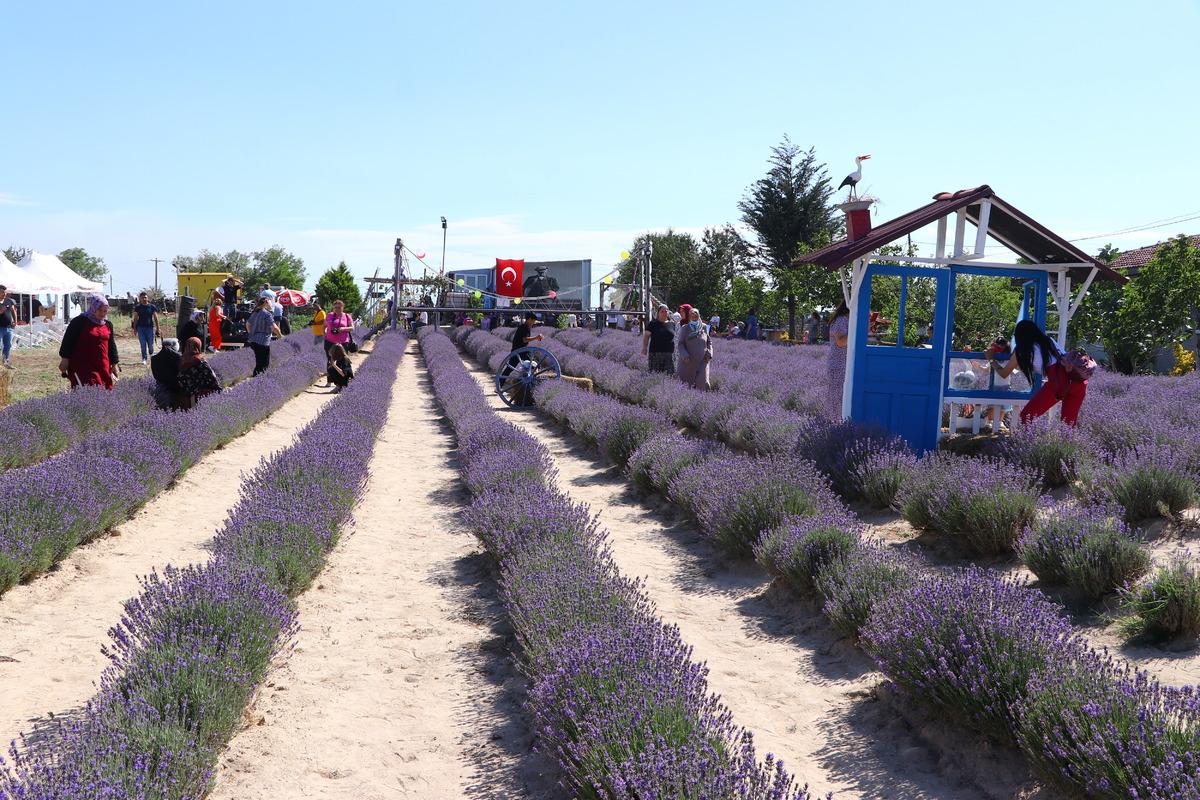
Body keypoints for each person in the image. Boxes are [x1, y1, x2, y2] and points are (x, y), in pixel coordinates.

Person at [994, 319, 1088, 426]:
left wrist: (991, 359)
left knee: (1026, 417)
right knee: (1068, 425)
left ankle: (1025, 437)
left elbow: (1004, 373)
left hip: (1058, 382)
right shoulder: (1049, 341)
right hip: (1079, 380)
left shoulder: (1022, 350)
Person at [59, 293, 120, 389]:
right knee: (87, 389)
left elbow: (111, 345)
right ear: (93, 308)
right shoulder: (79, 322)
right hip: (83, 365)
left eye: (105, 311)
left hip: (103, 364)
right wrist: (65, 358)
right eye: (100, 310)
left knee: (105, 389)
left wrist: (115, 363)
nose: (102, 313)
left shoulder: (108, 324)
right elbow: (68, 341)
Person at [177, 336, 222, 408]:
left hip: (187, 395)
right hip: (202, 393)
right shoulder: (199, 360)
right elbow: (211, 377)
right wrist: (219, 389)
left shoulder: (182, 360)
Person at [677, 307, 713, 390]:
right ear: (689, 317)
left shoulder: (704, 327)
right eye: (691, 315)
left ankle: (703, 398)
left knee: (703, 383)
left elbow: (709, 342)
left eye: (696, 315)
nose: (694, 317)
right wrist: (684, 355)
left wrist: (709, 353)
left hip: (702, 361)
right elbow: (681, 344)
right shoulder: (685, 328)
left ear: (699, 316)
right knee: (685, 386)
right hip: (688, 362)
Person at [826, 301, 850, 419]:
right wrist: (858, 330)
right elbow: (840, 342)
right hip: (838, 365)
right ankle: (836, 423)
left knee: (841, 398)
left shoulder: (846, 320)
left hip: (843, 365)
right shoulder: (841, 320)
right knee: (838, 399)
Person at [247, 297, 280, 376]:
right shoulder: (267, 314)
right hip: (263, 341)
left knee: (259, 363)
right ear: (266, 303)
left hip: (253, 340)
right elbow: (274, 327)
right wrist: (280, 335)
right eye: (270, 302)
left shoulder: (255, 312)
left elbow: (248, 324)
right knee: (264, 364)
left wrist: (251, 334)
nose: (271, 304)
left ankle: (255, 379)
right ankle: (260, 380)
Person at [642, 304, 675, 374]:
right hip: (655, 353)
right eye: (662, 311)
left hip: (669, 354)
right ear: (658, 313)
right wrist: (644, 348)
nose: (664, 313)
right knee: (654, 374)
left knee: (669, 375)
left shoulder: (672, 324)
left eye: (666, 311)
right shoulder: (652, 324)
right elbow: (646, 336)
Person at [129, 291, 161, 364]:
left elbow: (156, 318)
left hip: (150, 328)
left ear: (147, 298)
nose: (144, 299)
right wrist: (135, 329)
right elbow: (135, 318)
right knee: (143, 344)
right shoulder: (138, 307)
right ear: (140, 299)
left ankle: (151, 354)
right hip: (140, 328)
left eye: (145, 297)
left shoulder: (152, 307)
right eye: (142, 298)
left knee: (151, 345)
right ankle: (144, 358)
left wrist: (158, 328)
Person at [151, 337, 182, 407]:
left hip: (160, 388)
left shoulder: (154, 358)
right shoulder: (178, 357)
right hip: (176, 389)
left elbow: (155, 375)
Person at [0, 285, 16, 368]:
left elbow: (13, 311)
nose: (4, 294)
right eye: (2, 292)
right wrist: (0, 311)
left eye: (5, 292)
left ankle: (5, 361)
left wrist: (15, 321)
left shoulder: (9, 301)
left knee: (8, 345)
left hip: (9, 328)